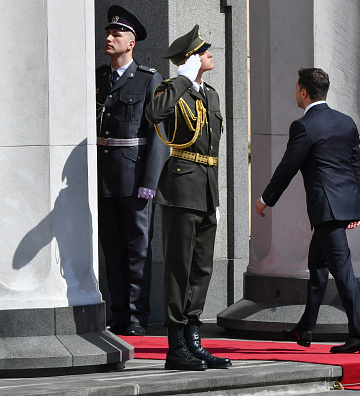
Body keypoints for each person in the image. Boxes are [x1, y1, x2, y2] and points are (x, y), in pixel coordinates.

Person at [255, 68, 360, 354]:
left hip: (325, 211)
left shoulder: (304, 126)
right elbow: (354, 165)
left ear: (304, 92)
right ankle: (306, 328)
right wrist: (357, 207)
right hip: (341, 208)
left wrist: (266, 199)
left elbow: (288, 166)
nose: (295, 93)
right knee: (318, 269)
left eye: (296, 88)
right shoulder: (346, 122)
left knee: (342, 272)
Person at [145, 25, 231, 371]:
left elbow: (212, 149)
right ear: (190, 59)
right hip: (181, 188)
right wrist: (182, 79)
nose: (210, 54)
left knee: (201, 268)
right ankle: (175, 345)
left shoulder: (211, 95)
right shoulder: (172, 90)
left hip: (207, 189)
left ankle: (193, 341)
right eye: (203, 51)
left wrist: (217, 197)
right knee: (179, 269)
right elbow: (154, 116)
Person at [96, 4, 168, 337]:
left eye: (117, 33)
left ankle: (138, 316)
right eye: (108, 32)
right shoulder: (98, 78)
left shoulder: (149, 79)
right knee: (112, 249)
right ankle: (119, 313)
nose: (110, 37)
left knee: (137, 249)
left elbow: (158, 135)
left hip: (135, 178)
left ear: (132, 42)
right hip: (104, 178)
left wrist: (149, 183)